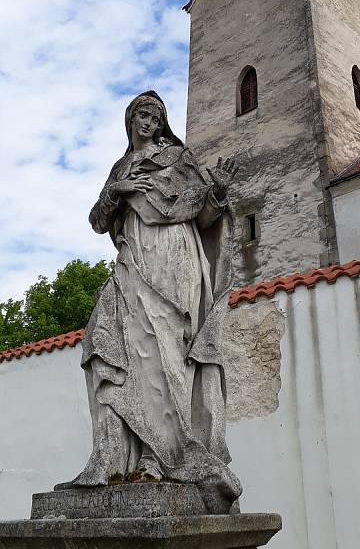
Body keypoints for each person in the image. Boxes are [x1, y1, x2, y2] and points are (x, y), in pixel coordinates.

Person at [57, 91, 242, 513]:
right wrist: (116, 191)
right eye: (143, 114)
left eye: (157, 117)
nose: (150, 122)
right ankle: (111, 457)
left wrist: (219, 194)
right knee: (106, 345)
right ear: (130, 119)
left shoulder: (179, 159)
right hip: (132, 259)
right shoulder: (120, 168)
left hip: (174, 257)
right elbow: (97, 221)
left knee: (166, 355)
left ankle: (161, 457)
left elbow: (206, 217)